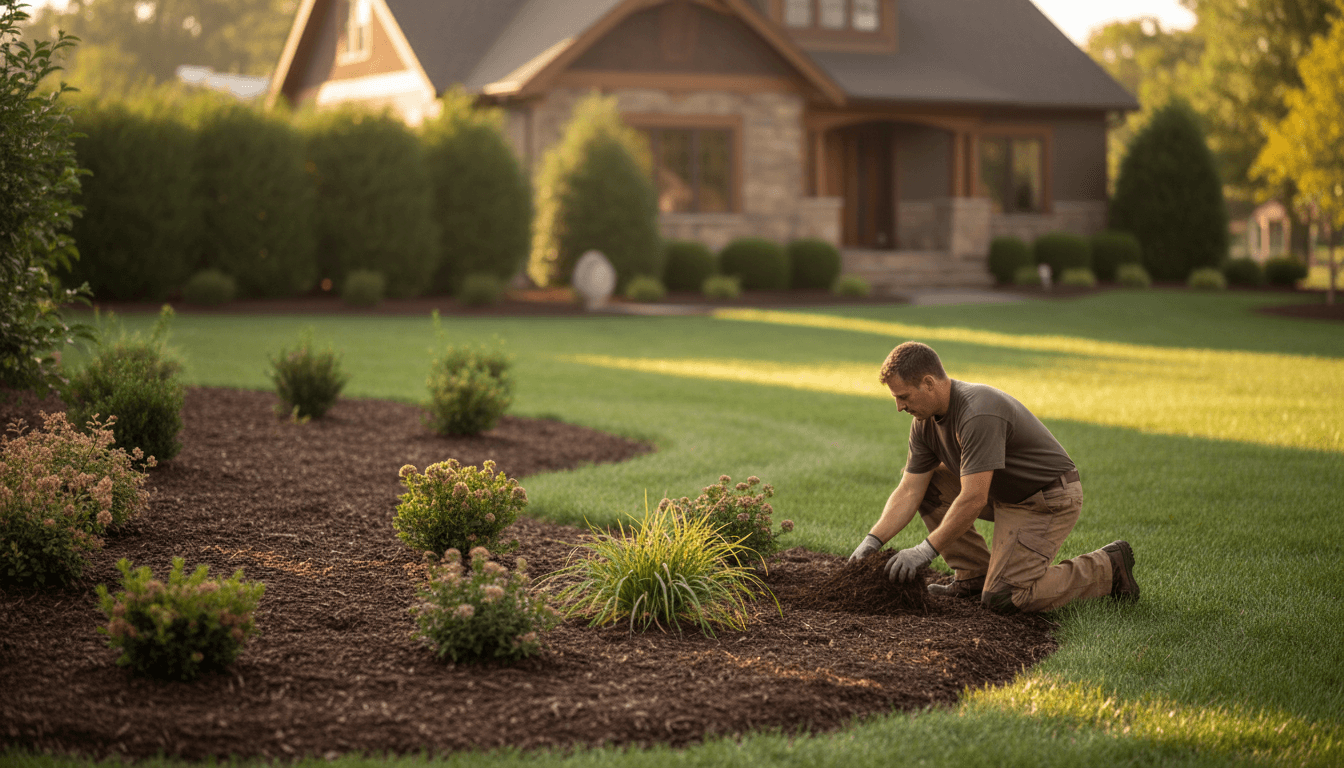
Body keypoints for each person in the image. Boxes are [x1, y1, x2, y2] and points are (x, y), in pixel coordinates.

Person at [849, 341, 1139, 613]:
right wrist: (872, 542)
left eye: (903, 397)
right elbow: (910, 490)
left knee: (1006, 598)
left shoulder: (977, 412)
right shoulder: (923, 423)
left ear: (928, 382)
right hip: (1003, 494)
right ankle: (972, 576)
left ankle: (1108, 567)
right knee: (930, 485)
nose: (899, 406)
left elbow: (973, 498)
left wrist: (925, 551)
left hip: (1046, 498)